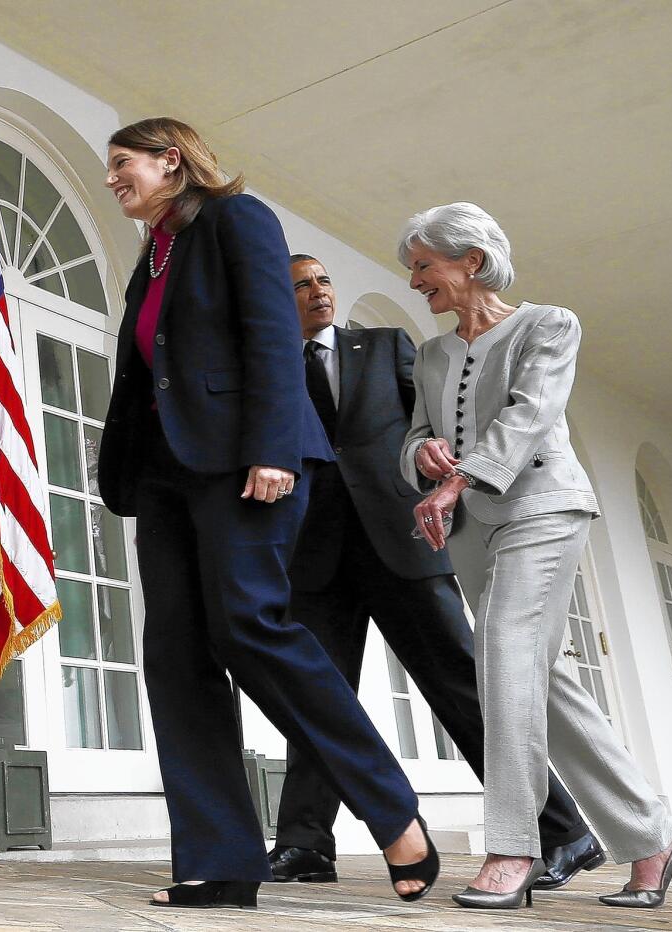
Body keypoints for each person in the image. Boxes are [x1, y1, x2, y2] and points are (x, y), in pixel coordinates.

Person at [96, 118, 438, 910]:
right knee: (176, 654)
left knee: (251, 627)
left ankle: (391, 810)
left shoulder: (235, 220)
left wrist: (275, 447)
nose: (114, 179)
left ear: (169, 160)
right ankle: (219, 861)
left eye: (123, 164)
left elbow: (272, 333)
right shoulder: (154, 257)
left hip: (243, 462)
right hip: (165, 476)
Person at [398, 202, 672, 911]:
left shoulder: (549, 324)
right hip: (469, 525)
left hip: (542, 506)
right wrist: (424, 454)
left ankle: (514, 844)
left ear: (469, 260)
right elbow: (412, 434)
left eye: (422, 265)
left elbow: (530, 413)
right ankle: (654, 837)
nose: (414, 281)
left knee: (502, 654)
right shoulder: (432, 353)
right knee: (546, 685)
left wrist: (460, 477)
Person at [270, 254, 603, 892]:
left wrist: (447, 479)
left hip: (401, 543)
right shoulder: (269, 364)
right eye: (301, 286)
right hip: (315, 555)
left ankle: (564, 832)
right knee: (316, 699)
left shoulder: (388, 346)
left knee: (461, 686)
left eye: (323, 281)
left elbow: (434, 428)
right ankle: (304, 844)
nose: (318, 293)